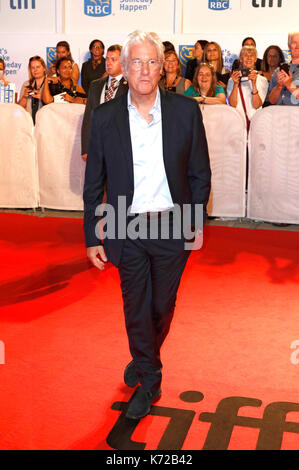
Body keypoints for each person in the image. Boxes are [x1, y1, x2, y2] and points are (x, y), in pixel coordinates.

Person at [83, 30, 211, 420]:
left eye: (151, 62)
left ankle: (142, 356)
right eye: (135, 62)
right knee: (136, 305)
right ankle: (150, 379)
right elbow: (94, 183)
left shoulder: (186, 111)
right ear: (124, 69)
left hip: (173, 225)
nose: (143, 69)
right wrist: (92, 234)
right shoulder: (105, 118)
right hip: (127, 226)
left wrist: (194, 219)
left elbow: (200, 173)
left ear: (163, 69)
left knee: (161, 306)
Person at [81, 44, 128, 161]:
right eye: (107, 59)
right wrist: (86, 148)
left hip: (121, 148)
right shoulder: (95, 85)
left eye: (113, 59)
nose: (108, 62)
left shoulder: (131, 86)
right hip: (97, 146)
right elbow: (88, 118)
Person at [227, 45, 268, 132]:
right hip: (237, 125)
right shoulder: (232, 80)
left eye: (252, 55)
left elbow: (257, 105)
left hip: (255, 125)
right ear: (240, 59)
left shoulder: (262, 80)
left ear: (255, 59)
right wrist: (235, 85)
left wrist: (253, 84)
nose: (249, 58)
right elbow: (232, 104)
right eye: (245, 55)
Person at [268, 32, 299, 106]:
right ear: (289, 46)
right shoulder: (279, 70)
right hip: (279, 114)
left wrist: (289, 85)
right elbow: (272, 101)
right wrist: (279, 86)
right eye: (294, 42)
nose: (297, 46)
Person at [18, 56, 47, 124]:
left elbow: (54, 107)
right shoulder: (26, 84)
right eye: (32, 68)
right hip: (29, 124)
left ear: (44, 68)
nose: (35, 70)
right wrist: (24, 97)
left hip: (46, 124)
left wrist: (43, 98)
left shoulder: (50, 84)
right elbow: (19, 108)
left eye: (38, 67)